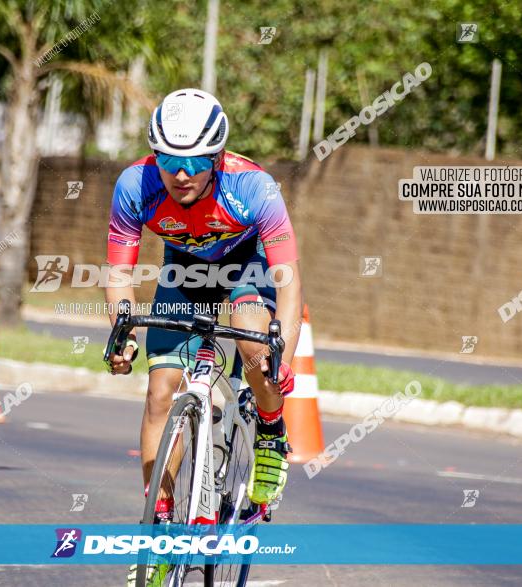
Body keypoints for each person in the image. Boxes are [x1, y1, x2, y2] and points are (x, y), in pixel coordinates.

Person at [104, 89, 303, 586]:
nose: (182, 172)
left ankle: (272, 432)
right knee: (159, 393)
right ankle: (160, 530)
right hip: (184, 271)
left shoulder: (254, 188)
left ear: (216, 157)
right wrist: (122, 332)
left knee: (257, 345)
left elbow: (289, 280)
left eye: (195, 160)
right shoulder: (135, 184)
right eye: (170, 158)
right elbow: (118, 274)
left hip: (246, 266)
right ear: (156, 155)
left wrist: (284, 358)